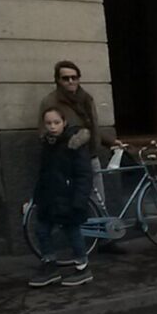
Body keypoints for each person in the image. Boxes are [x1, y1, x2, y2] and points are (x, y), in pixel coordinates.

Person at [37, 60, 125, 254]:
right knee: (73, 200)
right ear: (58, 80)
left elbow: (93, 127)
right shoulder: (51, 102)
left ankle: (105, 240)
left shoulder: (86, 98)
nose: (70, 81)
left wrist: (110, 141)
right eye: (65, 78)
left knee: (98, 198)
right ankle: (77, 244)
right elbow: (45, 131)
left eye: (74, 77)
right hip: (68, 161)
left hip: (90, 156)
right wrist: (65, 147)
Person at [28, 107, 94, 287]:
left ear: (64, 123)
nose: (52, 127)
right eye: (48, 123)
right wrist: (35, 198)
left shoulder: (74, 144)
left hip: (69, 196)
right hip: (49, 197)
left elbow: (84, 174)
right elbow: (44, 174)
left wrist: (79, 200)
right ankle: (50, 265)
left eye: (56, 122)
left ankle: (82, 267)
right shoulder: (48, 144)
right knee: (41, 231)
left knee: (72, 232)